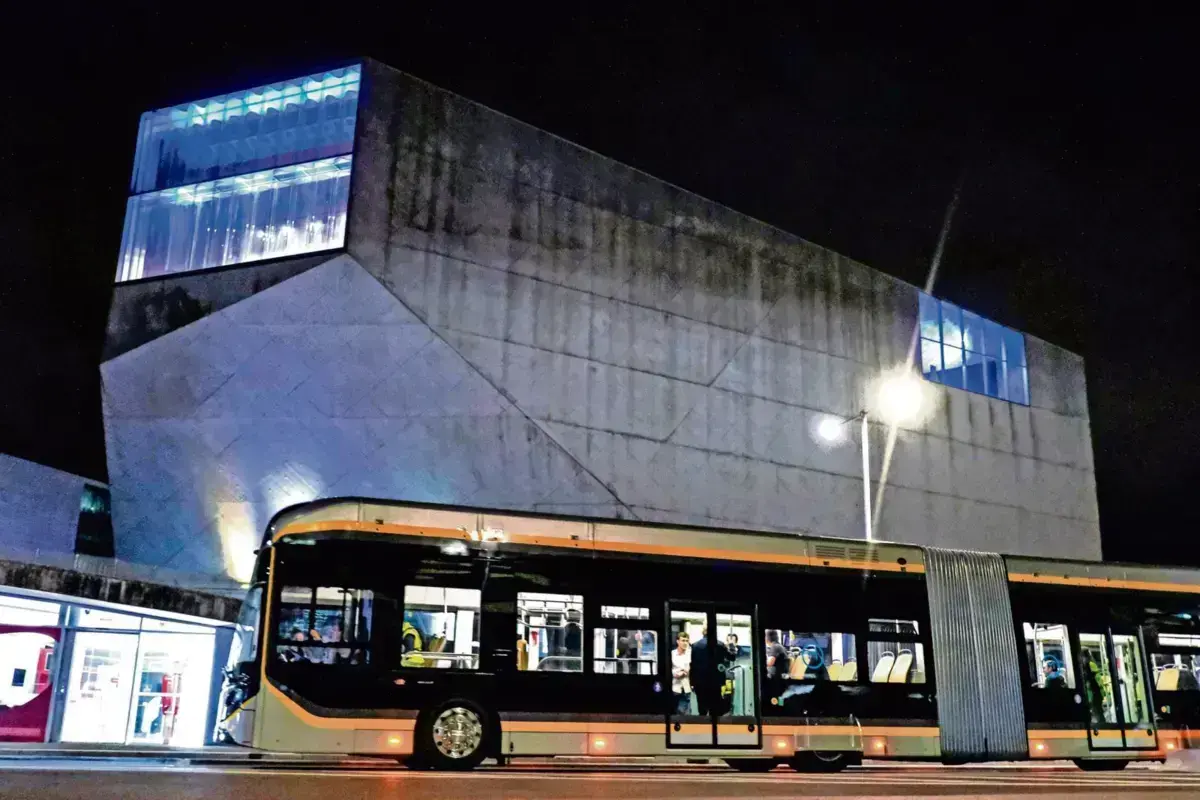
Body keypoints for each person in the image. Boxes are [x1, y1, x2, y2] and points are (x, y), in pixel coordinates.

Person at [671, 631, 693, 714]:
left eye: (687, 641)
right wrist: (676, 673)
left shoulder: (690, 654)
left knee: (686, 714)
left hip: (686, 687)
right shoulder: (672, 654)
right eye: (683, 640)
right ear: (678, 641)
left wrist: (684, 671)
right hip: (675, 687)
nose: (685, 643)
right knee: (674, 713)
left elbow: (691, 667)